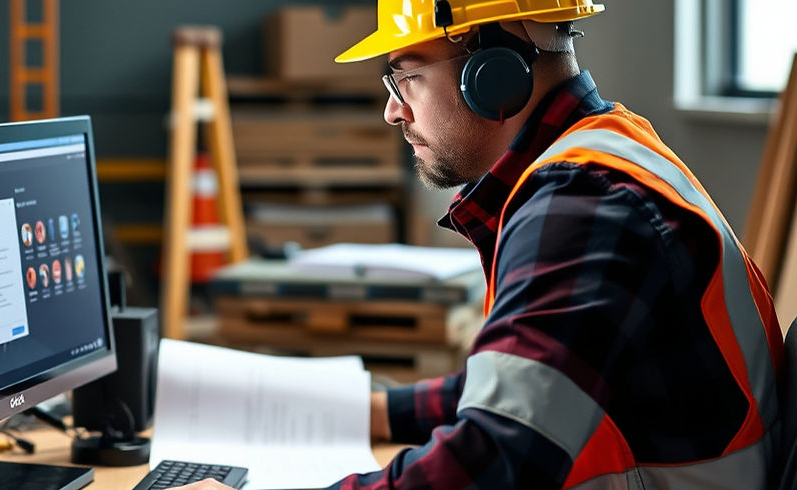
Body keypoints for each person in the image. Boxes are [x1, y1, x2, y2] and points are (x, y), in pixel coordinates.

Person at [175, 0, 784, 488]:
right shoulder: (602, 158)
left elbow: (497, 459)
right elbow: (532, 383)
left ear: (492, 74)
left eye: (407, 75)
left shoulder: (581, 202)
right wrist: (380, 411)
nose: (393, 110)